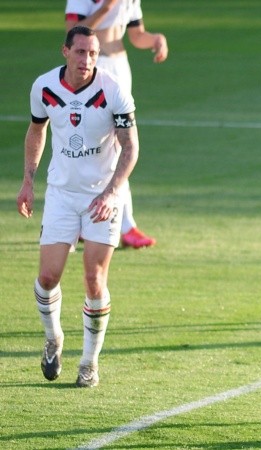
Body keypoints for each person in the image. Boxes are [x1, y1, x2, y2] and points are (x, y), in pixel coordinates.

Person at [17, 26, 140, 388]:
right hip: (60, 194)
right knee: (48, 277)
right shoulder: (43, 88)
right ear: (65, 51)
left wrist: (112, 192)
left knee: (93, 278)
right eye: (82, 51)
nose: (87, 59)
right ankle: (54, 337)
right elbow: (36, 130)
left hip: (102, 198)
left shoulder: (113, 90)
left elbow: (130, 146)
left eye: (93, 53)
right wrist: (28, 181)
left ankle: (89, 362)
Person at [65, 0, 167, 248]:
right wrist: (106, 7)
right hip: (91, 68)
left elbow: (136, 35)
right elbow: (73, 32)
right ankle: (105, 222)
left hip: (120, 68)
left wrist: (155, 39)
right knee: (88, 145)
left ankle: (122, 225)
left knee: (119, 146)